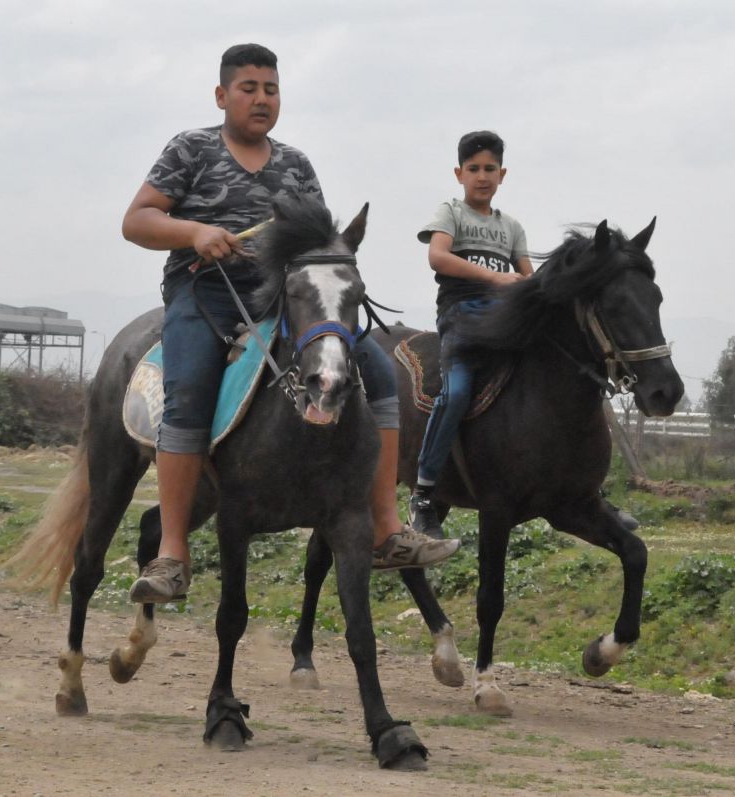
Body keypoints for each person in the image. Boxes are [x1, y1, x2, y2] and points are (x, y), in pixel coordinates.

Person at [121, 44, 458, 603]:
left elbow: (319, 245)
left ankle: (387, 530)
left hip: (281, 301)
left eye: (271, 90)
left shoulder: (296, 165)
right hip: (206, 296)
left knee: (375, 369)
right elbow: (137, 220)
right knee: (188, 394)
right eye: (249, 88)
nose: (261, 99)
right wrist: (193, 233)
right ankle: (172, 554)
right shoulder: (191, 149)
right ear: (222, 94)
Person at [409, 131, 533, 536]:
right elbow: (438, 257)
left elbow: (528, 280)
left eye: (490, 169)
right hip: (462, 317)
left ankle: (586, 484)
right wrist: (496, 278)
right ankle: (424, 492)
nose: (482, 176)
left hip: (506, 323)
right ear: (459, 173)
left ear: (503, 174)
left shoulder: (512, 227)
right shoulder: (451, 213)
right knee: (457, 392)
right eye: (474, 169)